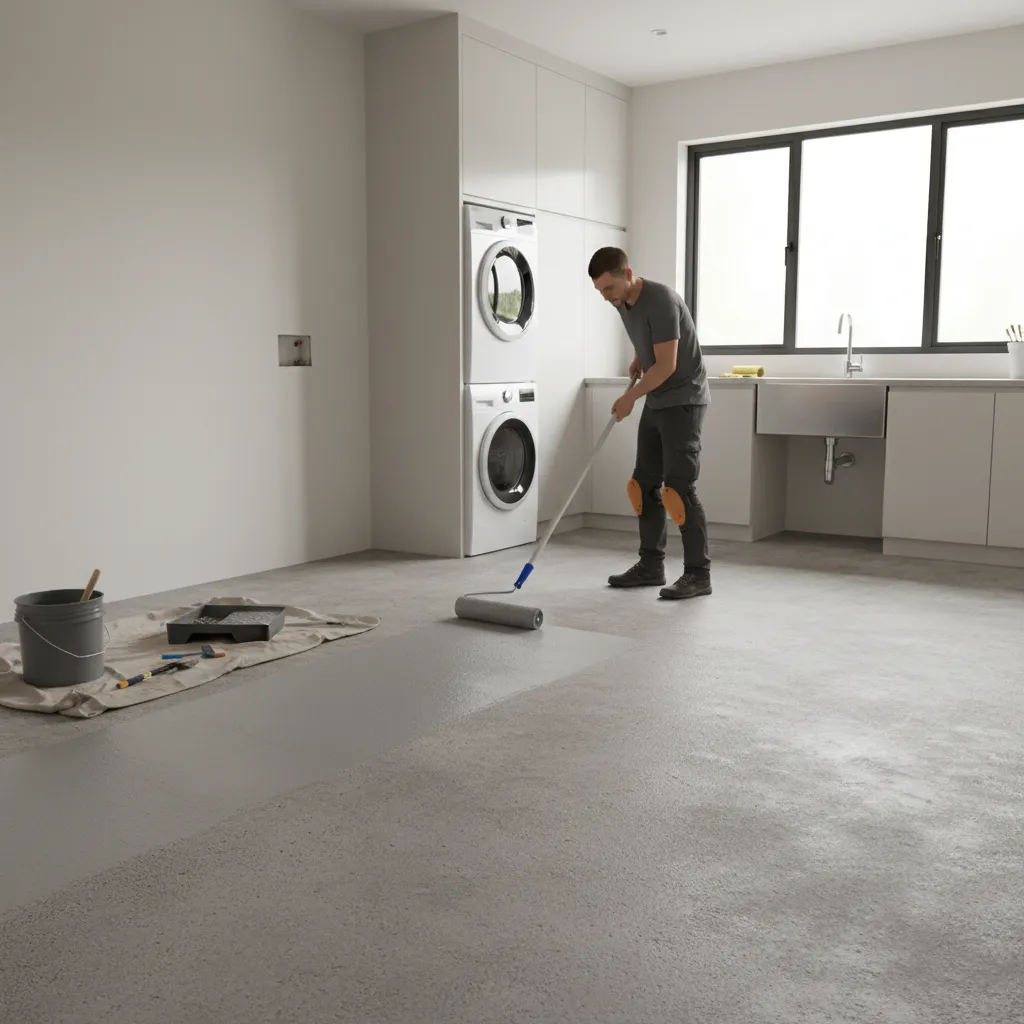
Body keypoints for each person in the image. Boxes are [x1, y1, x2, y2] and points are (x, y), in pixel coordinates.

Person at [587, 246, 711, 600]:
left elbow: (668, 365)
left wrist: (630, 397)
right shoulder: (622, 302)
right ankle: (651, 565)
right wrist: (639, 356)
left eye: (609, 289)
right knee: (643, 486)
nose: (606, 298)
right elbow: (652, 341)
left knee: (678, 490)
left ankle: (698, 574)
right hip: (659, 398)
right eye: (600, 291)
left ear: (628, 274)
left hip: (684, 400)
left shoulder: (662, 300)